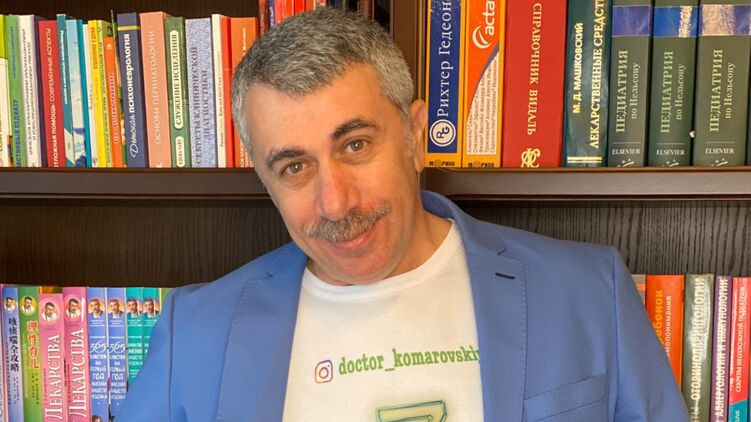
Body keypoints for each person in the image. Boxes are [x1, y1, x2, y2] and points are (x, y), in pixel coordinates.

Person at [118, 8, 688, 421]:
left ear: (415, 136)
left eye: (356, 145)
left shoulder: (589, 291)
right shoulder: (196, 332)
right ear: (266, 180)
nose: (336, 203)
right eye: (294, 167)